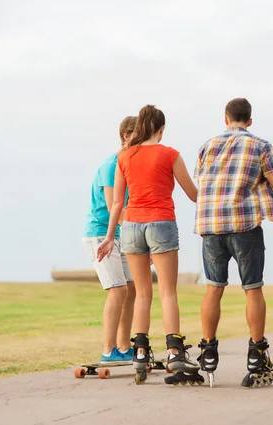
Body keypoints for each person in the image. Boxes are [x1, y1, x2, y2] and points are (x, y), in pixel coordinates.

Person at [193, 98, 273, 388]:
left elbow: (204, 183)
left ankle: (207, 352)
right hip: (244, 224)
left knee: (213, 288)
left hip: (210, 226)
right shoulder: (261, 145)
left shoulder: (206, 146)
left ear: (226, 118)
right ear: (250, 120)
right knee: (252, 288)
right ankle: (257, 355)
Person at [96, 105, 203, 386]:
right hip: (161, 223)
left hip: (130, 227)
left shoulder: (125, 156)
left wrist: (109, 238)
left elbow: (118, 202)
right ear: (161, 128)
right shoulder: (170, 154)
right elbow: (193, 194)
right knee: (168, 292)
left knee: (142, 294)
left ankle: (140, 351)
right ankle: (174, 350)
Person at [82, 116, 137, 363]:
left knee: (132, 288)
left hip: (117, 235)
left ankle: (124, 347)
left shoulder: (127, 165)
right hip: (99, 235)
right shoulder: (111, 166)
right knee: (118, 289)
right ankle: (108, 350)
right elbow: (112, 204)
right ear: (126, 136)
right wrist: (140, 236)